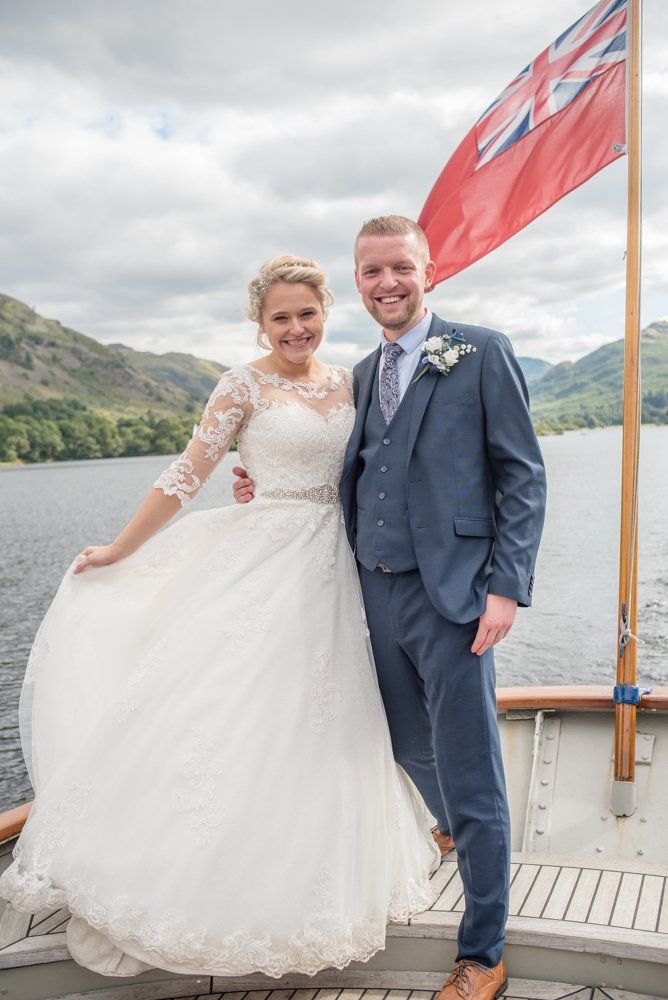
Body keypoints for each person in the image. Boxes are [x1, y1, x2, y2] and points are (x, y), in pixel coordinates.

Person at [0, 254, 441, 980]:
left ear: (325, 312)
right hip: (265, 561)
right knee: (233, 711)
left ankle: (306, 878)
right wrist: (117, 548)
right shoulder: (240, 386)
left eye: (307, 314)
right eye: (281, 317)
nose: (296, 328)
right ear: (259, 323)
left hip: (337, 566)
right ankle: (191, 879)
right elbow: (185, 476)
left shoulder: (352, 381)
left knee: (322, 718)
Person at [232, 218, 547, 1000]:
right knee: (407, 743)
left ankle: (484, 950)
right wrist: (257, 488)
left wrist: (505, 587)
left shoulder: (480, 350)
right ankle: (459, 834)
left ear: (428, 269)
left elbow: (522, 477)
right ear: (358, 280)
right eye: (371, 271)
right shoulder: (363, 374)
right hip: (372, 590)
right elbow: (353, 472)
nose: (387, 283)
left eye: (400, 267)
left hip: (457, 599)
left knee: (470, 768)